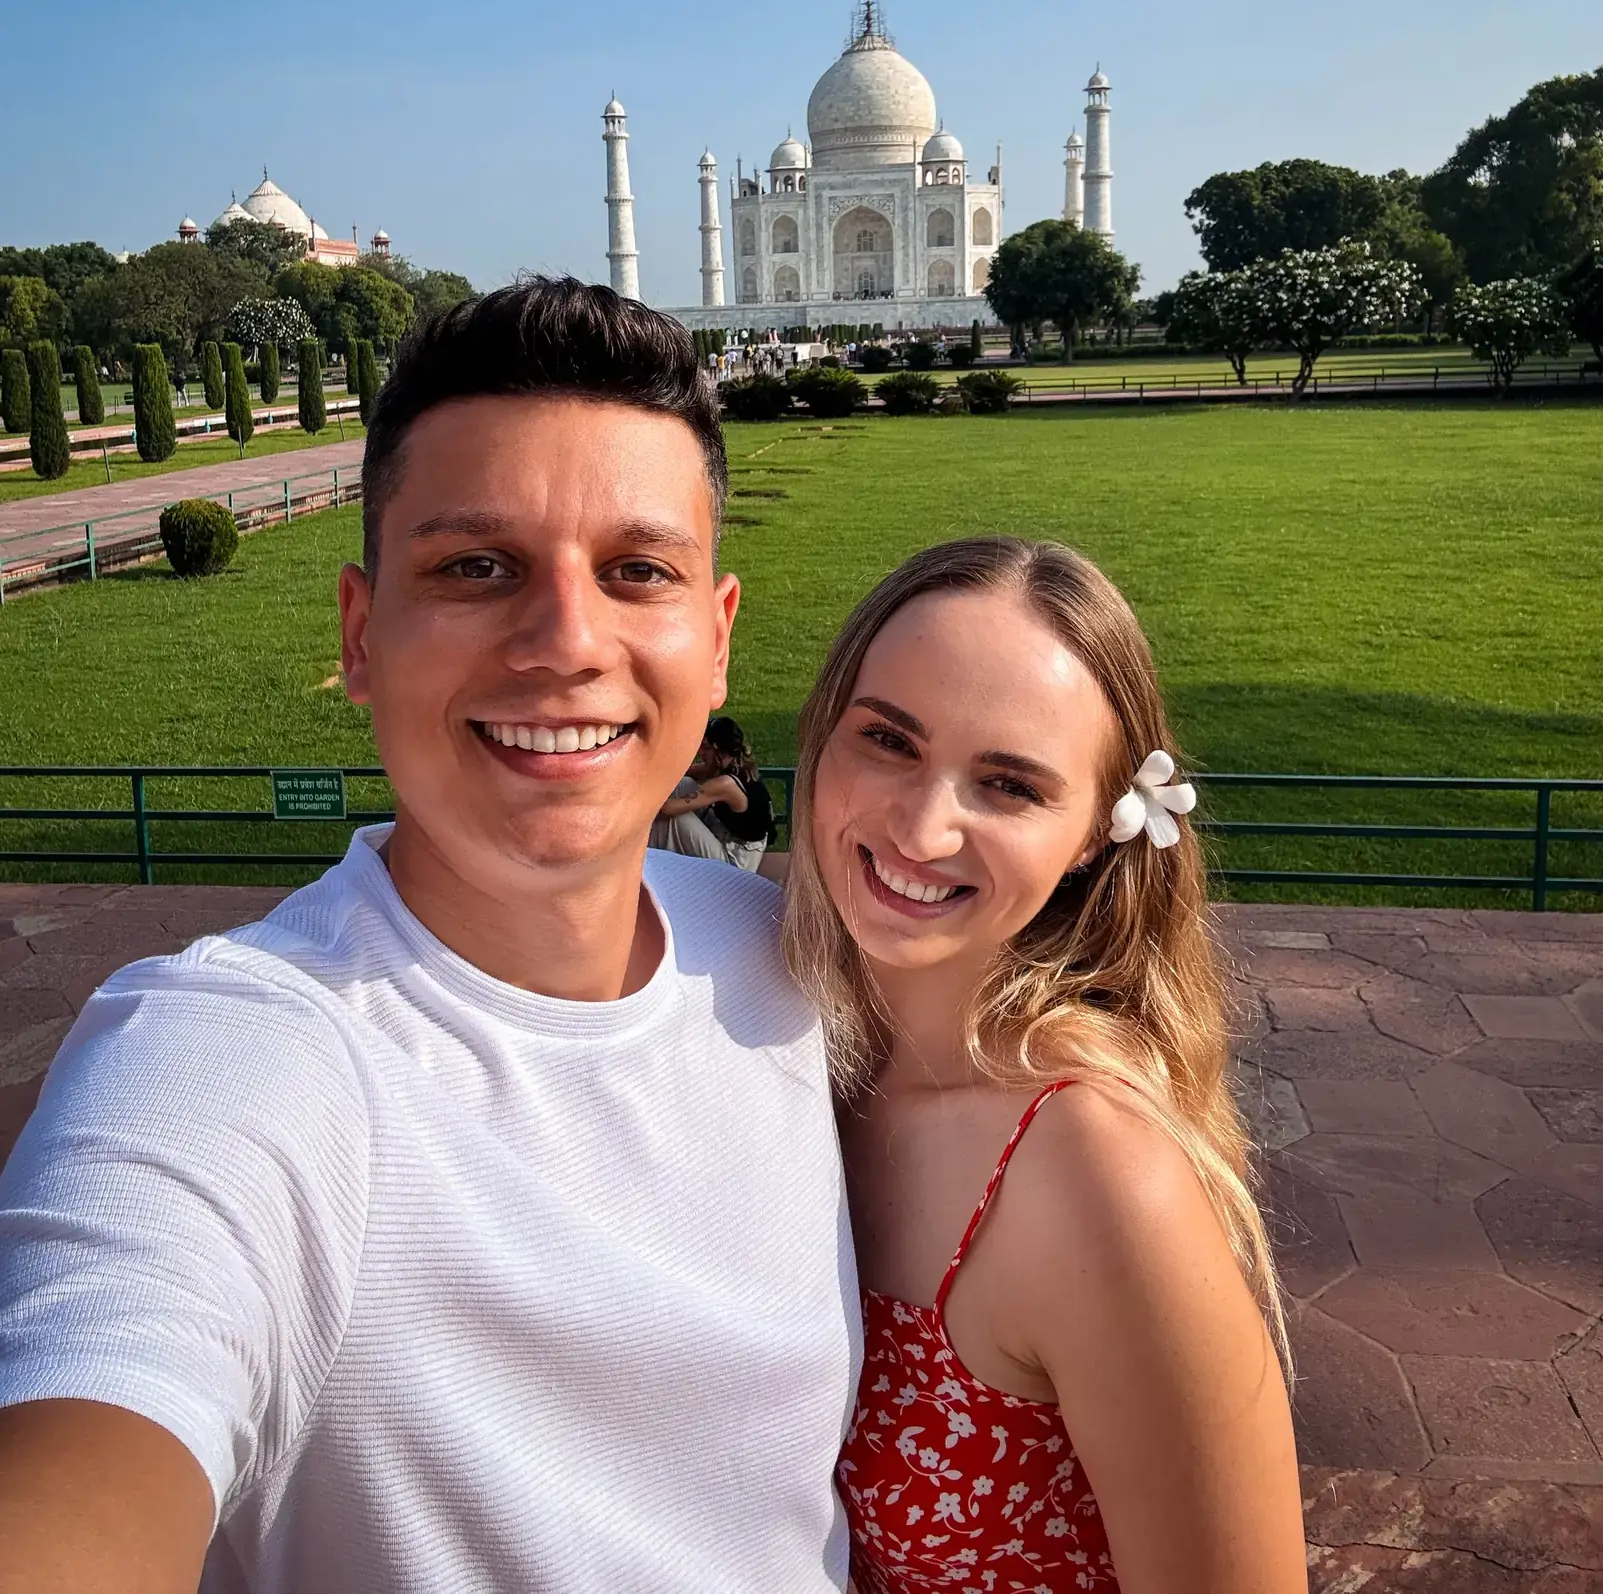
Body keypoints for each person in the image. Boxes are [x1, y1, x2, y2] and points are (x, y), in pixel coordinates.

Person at [0, 279, 859, 1594]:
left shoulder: (787, 960)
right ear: (360, 635)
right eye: (475, 567)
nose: (566, 642)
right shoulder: (237, 1062)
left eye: (636, 571)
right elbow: (96, 1418)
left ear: (718, 636)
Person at [782, 537, 1306, 1594]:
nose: (922, 824)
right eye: (887, 739)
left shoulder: (1093, 1174)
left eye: (1008, 784)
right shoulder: (775, 1031)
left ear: (1093, 836)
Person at [650, 714, 773, 870]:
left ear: (719, 750)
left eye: (706, 748)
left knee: (675, 818)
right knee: (684, 784)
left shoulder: (725, 784)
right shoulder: (733, 764)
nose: (700, 752)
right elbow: (684, 772)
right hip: (727, 836)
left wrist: (639, 798)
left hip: (735, 864)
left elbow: (667, 808)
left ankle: (641, 855)